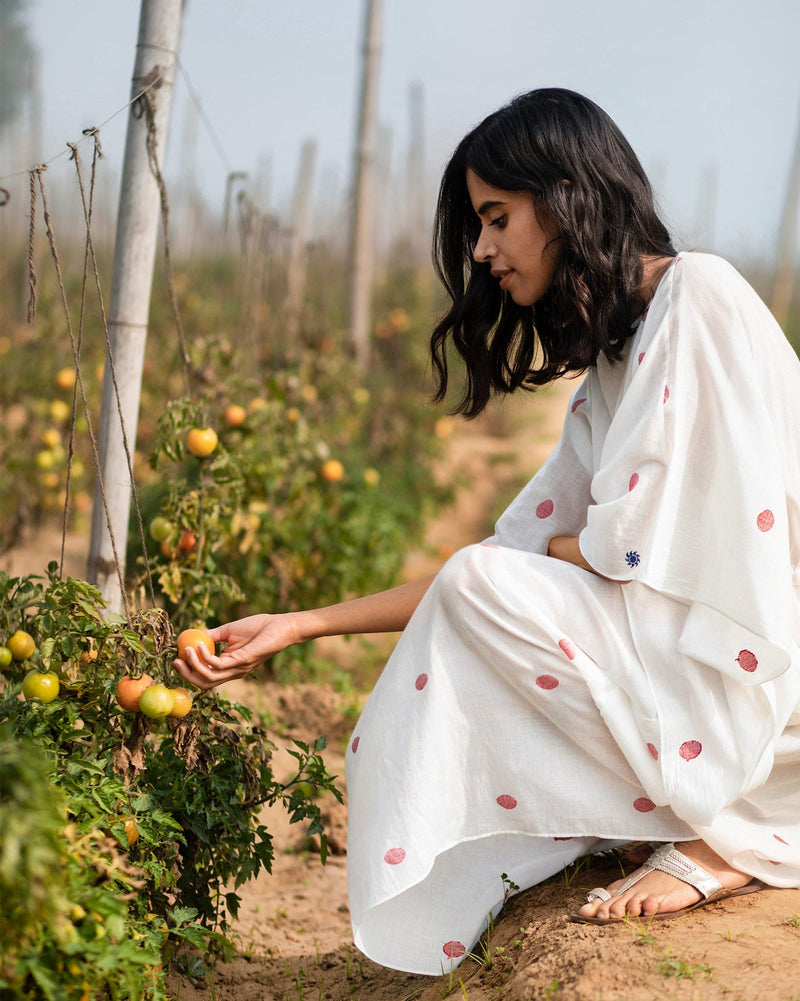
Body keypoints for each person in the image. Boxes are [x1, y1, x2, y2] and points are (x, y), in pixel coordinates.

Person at [174, 88, 800, 975]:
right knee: (483, 588)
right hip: (701, 682)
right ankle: (679, 804)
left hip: (771, 695)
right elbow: (508, 560)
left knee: (490, 586)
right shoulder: (613, 367)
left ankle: (730, 835)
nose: (483, 249)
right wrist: (303, 624)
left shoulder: (700, 295)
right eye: (479, 223)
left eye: (497, 217)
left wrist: (557, 555)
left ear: (568, 195)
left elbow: (639, 546)